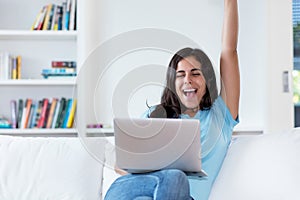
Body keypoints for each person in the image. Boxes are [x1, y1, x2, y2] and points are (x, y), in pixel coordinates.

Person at [104, 0, 239, 199]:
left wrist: (230, 2)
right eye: (180, 74)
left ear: (207, 79)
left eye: (195, 73)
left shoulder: (220, 116)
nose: (187, 80)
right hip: (141, 190)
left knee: (176, 177)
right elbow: (121, 164)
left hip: (183, 194)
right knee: (129, 185)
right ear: (172, 82)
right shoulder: (155, 115)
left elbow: (229, 52)